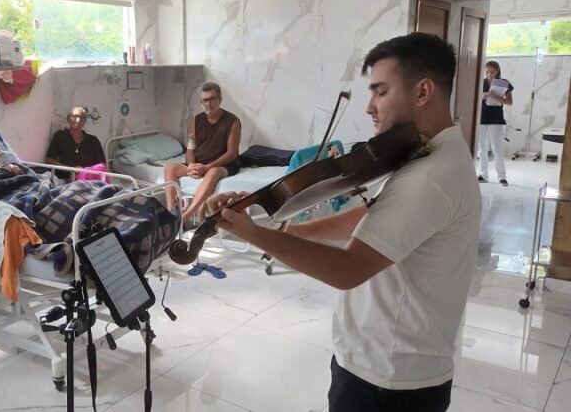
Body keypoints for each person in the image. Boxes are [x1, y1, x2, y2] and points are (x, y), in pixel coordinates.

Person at [205, 33, 481, 412]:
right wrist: (289, 228)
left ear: (423, 91)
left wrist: (255, 236)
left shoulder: (430, 176)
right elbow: (370, 216)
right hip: (388, 365)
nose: (370, 107)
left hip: (388, 381)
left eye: (380, 92)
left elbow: (348, 270)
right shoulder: (429, 152)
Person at [164, 82, 241, 224]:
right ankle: (171, 213)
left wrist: (207, 167)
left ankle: (186, 216)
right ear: (201, 102)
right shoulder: (196, 120)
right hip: (200, 163)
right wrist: (192, 165)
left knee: (213, 173)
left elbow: (231, 153)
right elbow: (190, 149)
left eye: (212, 99)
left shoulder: (232, 121)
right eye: (205, 100)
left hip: (223, 165)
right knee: (170, 168)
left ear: (220, 100)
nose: (209, 103)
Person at [44, 105, 107, 180]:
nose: (78, 120)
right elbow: (49, 160)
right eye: (75, 116)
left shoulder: (93, 140)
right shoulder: (60, 136)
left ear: (84, 121)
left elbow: (102, 165)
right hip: (66, 178)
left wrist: (85, 171)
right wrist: (71, 169)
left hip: (89, 179)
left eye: (82, 118)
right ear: (68, 118)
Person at [477, 60, 513, 186]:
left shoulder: (504, 84)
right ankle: (483, 174)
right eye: (487, 72)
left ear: (497, 71)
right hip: (481, 117)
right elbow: (473, 99)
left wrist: (494, 97)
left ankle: (502, 177)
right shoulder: (480, 83)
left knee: (496, 147)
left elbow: (509, 102)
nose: (489, 74)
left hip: (496, 118)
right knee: (482, 148)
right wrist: (482, 97)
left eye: (492, 72)